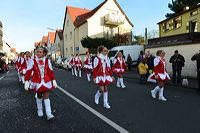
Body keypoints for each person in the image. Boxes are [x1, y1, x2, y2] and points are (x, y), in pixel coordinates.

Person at [24, 46, 57, 121]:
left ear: (44, 53)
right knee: (39, 95)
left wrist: (53, 80)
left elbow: (50, 71)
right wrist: (26, 81)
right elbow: (28, 71)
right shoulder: (32, 61)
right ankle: (39, 109)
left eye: (40, 52)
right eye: (37, 52)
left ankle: (49, 114)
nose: (38, 53)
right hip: (37, 81)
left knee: (46, 96)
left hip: (46, 81)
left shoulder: (47, 61)